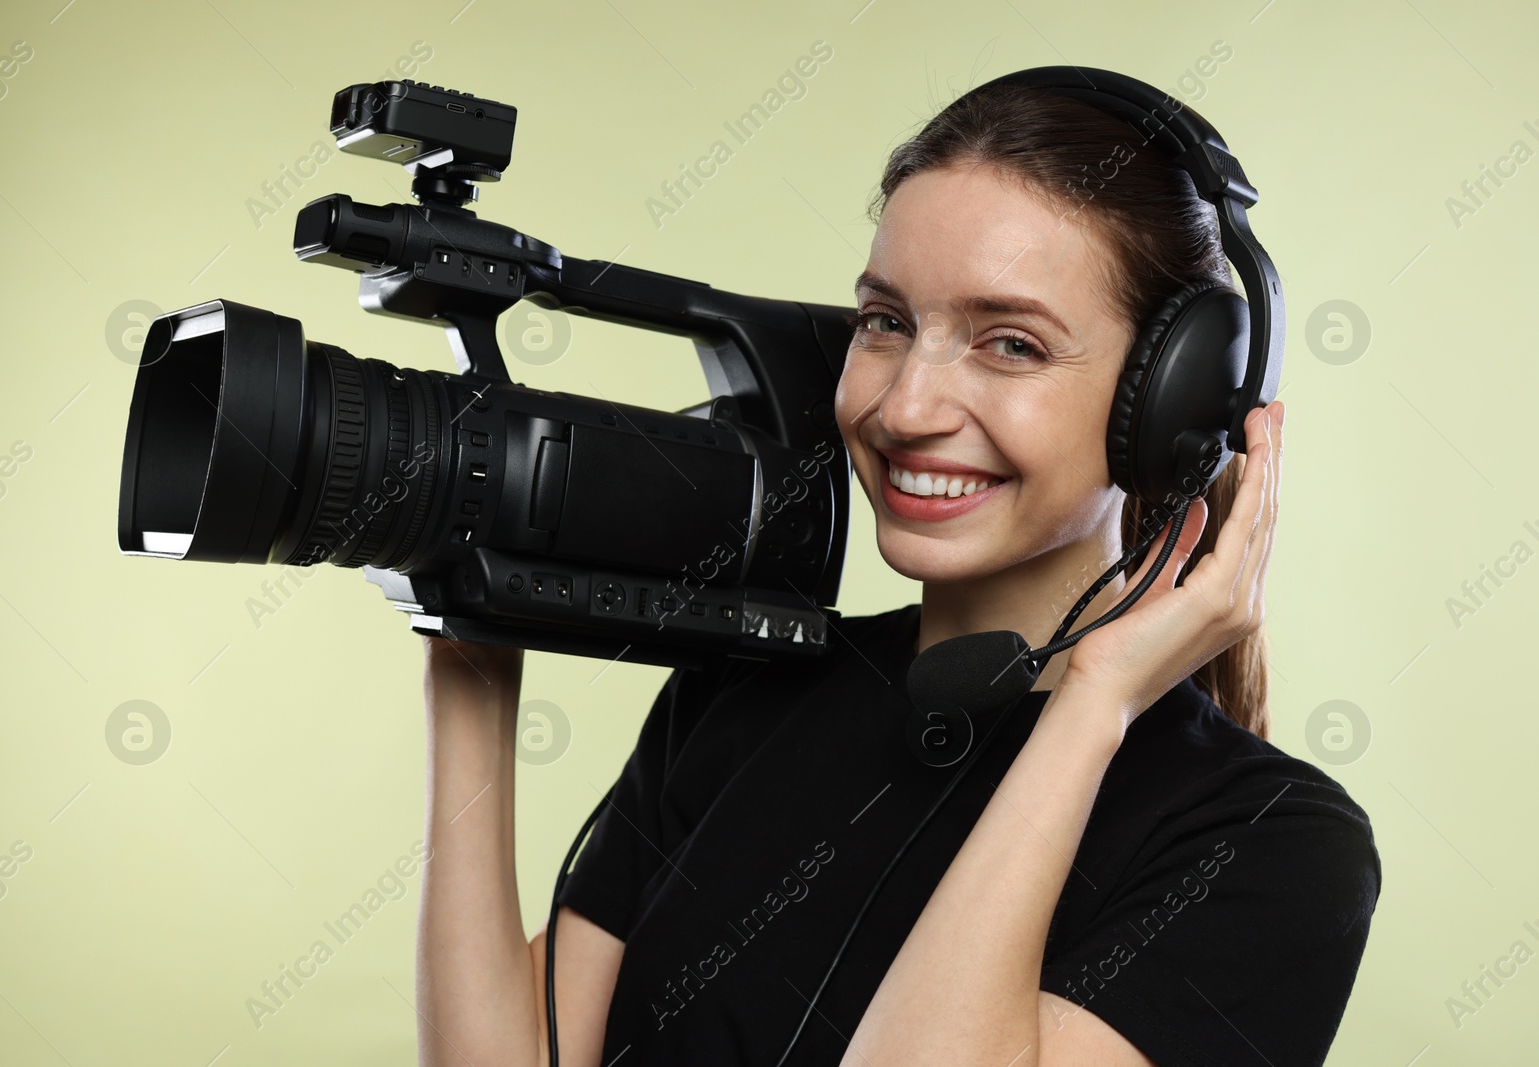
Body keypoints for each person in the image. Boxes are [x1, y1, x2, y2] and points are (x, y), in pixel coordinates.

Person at [411, 81, 1380, 1067]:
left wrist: (1090, 706)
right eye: (885, 322)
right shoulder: (744, 685)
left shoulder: (1264, 844)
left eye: (1011, 343)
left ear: (1171, 405)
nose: (907, 405)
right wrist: (467, 650)